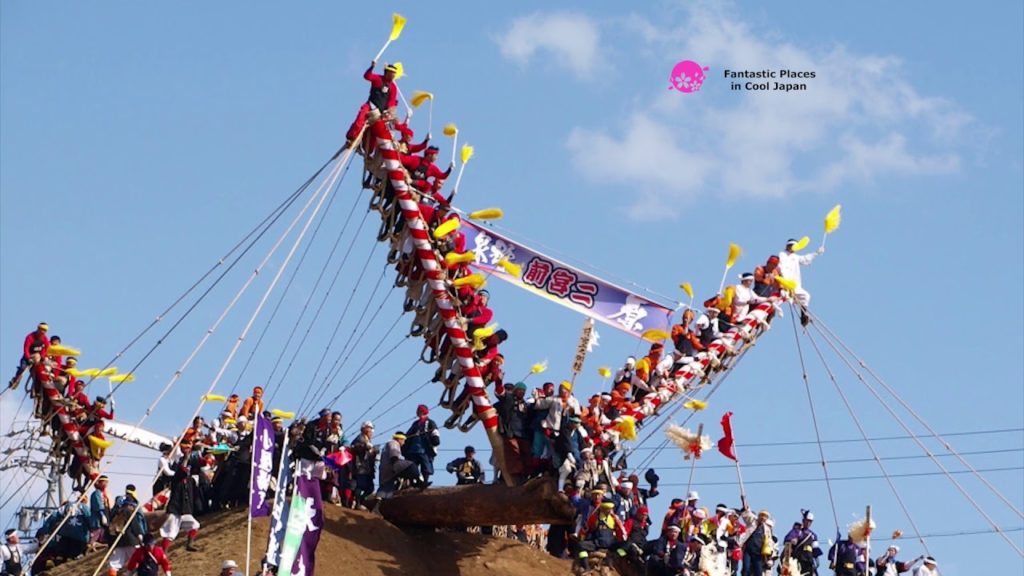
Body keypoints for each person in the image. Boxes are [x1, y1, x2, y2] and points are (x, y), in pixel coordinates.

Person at [159, 440, 201, 552]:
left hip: (183, 509)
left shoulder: (188, 479)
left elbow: (200, 464)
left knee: (194, 525)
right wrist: (186, 458)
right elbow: (182, 470)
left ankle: (189, 544)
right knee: (170, 532)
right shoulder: (177, 477)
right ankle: (163, 553)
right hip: (175, 509)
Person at [346, 61, 399, 146]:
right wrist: (372, 67)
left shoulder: (393, 87)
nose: (393, 75)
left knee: (374, 132)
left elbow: (391, 102)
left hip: (379, 113)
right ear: (387, 72)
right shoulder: (378, 79)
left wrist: (390, 114)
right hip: (369, 105)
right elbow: (367, 76)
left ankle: (368, 151)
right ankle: (351, 138)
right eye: (391, 73)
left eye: (394, 73)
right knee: (359, 119)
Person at [777, 238, 824, 326]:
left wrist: (816, 253)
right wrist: (785, 283)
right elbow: (781, 268)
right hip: (783, 284)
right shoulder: (782, 255)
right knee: (778, 300)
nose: (792, 247)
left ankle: (803, 316)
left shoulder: (796, 257)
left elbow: (805, 259)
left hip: (794, 286)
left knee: (805, 296)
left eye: (794, 246)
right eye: (790, 245)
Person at [576, 500, 627, 571]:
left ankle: (612, 560)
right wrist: (581, 537)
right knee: (581, 545)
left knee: (627, 545)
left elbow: (622, 532)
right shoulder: (594, 517)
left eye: (610, 509)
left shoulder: (614, 518)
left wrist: (621, 539)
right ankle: (586, 566)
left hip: (610, 544)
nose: (608, 511)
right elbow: (585, 529)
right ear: (602, 508)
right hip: (597, 543)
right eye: (606, 508)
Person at [404, 405, 440, 487]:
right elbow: (408, 434)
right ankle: (413, 482)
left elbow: (434, 431)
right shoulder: (415, 423)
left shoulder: (430, 422)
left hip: (425, 448)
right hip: (413, 449)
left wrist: (435, 438)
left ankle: (425, 481)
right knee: (412, 466)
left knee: (425, 465)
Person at [9, 322, 49, 390]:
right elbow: (26, 349)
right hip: (28, 356)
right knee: (22, 368)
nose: (42, 331)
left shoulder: (44, 338)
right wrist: (28, 358)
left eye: (44, 330)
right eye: (41, 329)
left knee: (37, 373)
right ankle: (15, 381)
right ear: (38, 329)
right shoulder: (30, 337)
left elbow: (46, 348)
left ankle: (37, 389)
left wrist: (43, 356)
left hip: (38, 358)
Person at [783, 509, 821, 575]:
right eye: (807, 521)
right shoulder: (797, 531)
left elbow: (816, 550)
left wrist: (817, 561)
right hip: (798, 559)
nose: (809, 523)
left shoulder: (813, 535)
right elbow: (787, 541)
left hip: (809, 561)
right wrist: (792, 541)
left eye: (810, 521)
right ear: (803, 520)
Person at [351, 421, 379, 507]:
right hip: (361, 467)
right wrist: (365, 447)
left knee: (370, 488)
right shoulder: (360, 439)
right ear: (364, 429)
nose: (371, 432)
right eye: (369, 430)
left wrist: (375, 451)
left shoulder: (368, 440)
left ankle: (361, 501)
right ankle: (358, 503)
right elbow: (355, 447)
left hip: (368, 469)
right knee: (361, 485)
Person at [88, 475, 112, 547]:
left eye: (107, 482)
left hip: (106, 514)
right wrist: (102, 515)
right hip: (98, 517)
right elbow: (98, 505)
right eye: (104, 482)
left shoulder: (105, 493)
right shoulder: (96, 493)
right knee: (96, 532)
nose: (106, 484)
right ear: (100, 483)